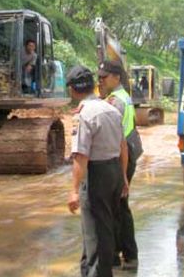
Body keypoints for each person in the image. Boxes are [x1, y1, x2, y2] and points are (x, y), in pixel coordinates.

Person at [66, 65, 129, 277]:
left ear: (72, 90)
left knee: (94, 232)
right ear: (93, 85)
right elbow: (123, 146)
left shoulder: (84, 115)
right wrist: (123, 177)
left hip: (97, 174)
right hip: (113, 171)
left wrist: (74, 190)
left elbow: (81, 156)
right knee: (106, 226)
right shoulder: (111, 109)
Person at [97, 60, 143, 271]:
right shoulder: (120, 97)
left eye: (104, 77)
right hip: (125, 153)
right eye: (99, 77)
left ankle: (127, 255)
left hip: (121, 157)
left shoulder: (117, 101)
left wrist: (122, 173)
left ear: (116, 77)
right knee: (117, 207)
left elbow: (119, 139)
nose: (101, 81)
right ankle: (119, 254)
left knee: (118, 207)